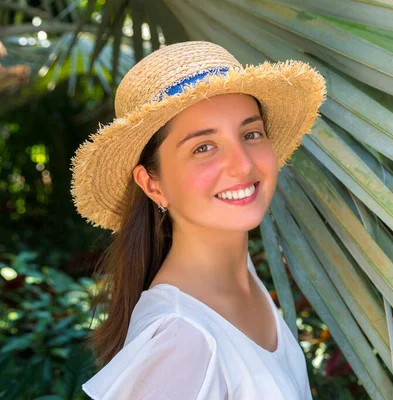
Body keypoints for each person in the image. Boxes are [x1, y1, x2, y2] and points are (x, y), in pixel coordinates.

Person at [70, 41, 327, 399]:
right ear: (153, 185)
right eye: (203, 147)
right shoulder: (181, 338)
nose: (243, 165)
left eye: (251, 134)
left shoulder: (238, 276)